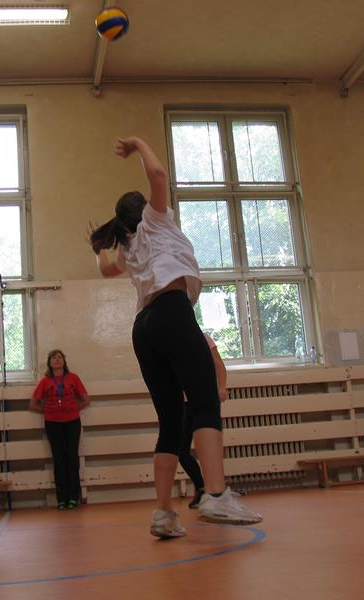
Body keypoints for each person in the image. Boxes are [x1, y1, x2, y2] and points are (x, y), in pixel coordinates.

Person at [89, 136, 262, 538]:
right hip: (170, 311)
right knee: (204, 402)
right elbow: (159, 174)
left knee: (170, 422)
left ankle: (164, 513)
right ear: (144, 210)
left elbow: (106, 270)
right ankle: (215, 494)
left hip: (144, 328)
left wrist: (97, 248)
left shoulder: (129, 246)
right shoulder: (156, 221)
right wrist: (138, 143)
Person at [30, 349, 90, 510]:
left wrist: (74, 409)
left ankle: (74, 497)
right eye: (53, 358)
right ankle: (62, 498)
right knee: (59, 459)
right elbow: (33, 404)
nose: (57, 360)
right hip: (53, 423)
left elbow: (86, 399)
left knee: (72, 457)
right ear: (49, 363)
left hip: (72, 422)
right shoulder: (45, 381)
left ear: (64, 361)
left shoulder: (73, 378)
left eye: (59, 357)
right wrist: (47, 411)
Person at [180, 333, 227, 509]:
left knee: (209, 447)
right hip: (182, 404)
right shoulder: (172, 340)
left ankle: (216, 491)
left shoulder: (203, 338)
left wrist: (222, 387)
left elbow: (219, 365)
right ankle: (201, 487)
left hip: (204, 399)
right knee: (181, 451)